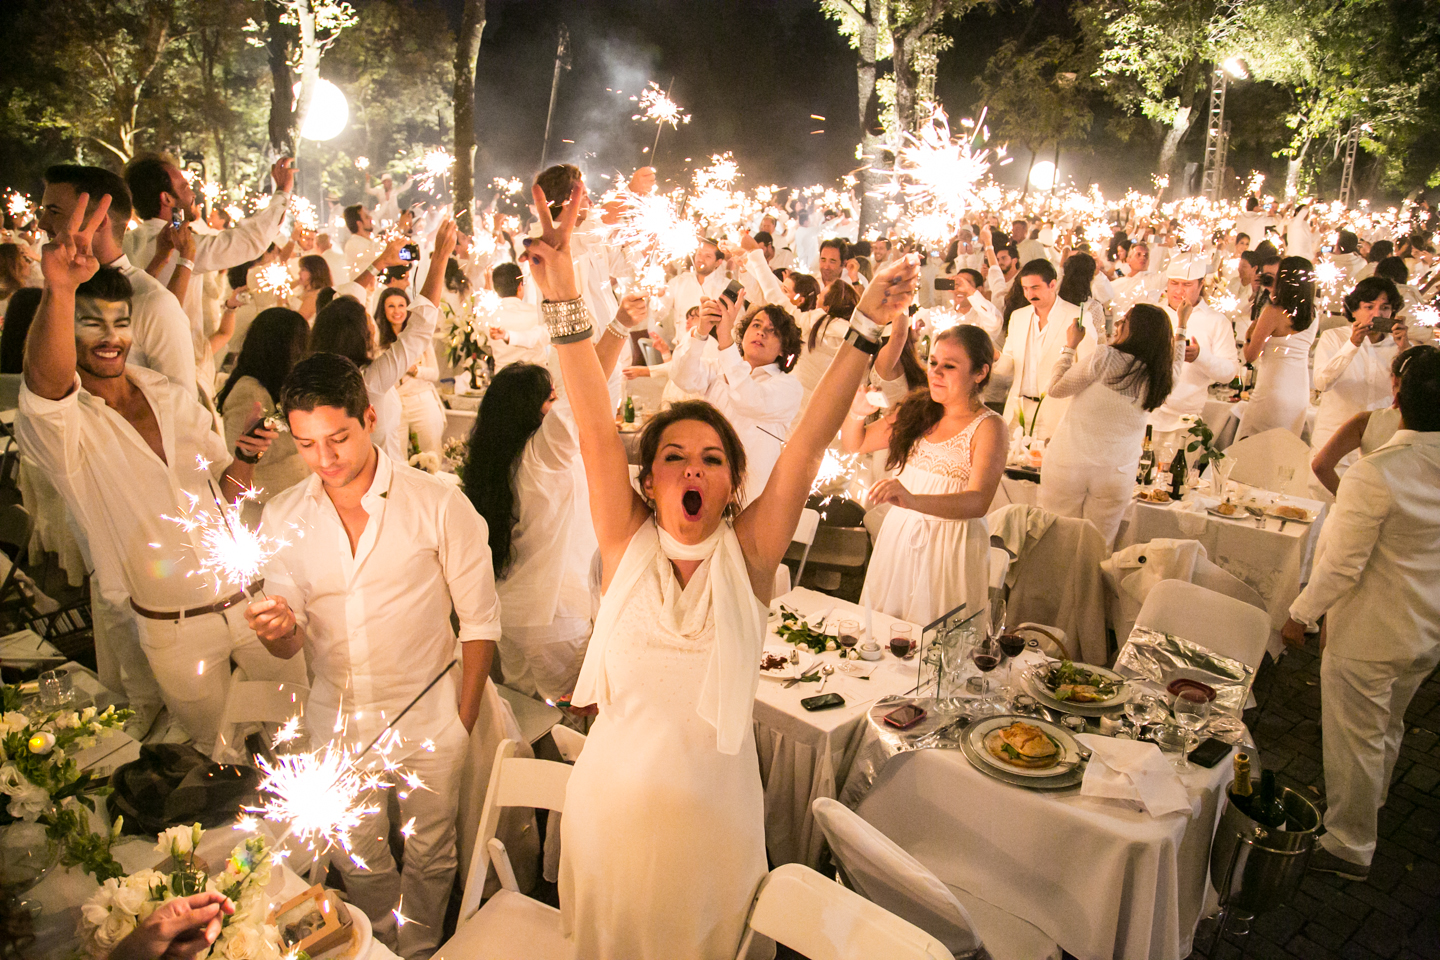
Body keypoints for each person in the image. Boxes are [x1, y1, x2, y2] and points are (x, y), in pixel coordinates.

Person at [526, 178, 920, 960]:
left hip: (714, 829)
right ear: (648, 480)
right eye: (673, 457)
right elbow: (595, 418)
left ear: (733, 484)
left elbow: (807, 439)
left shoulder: (750, 553)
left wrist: (868, 322)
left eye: (712, 458)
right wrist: (565, 295)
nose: (691, 469)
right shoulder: (624, 539)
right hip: (607, 816)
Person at [17, 192, 301, 753]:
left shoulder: (171, 396)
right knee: (220, 759)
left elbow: (226, 495)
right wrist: (59, 289)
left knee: (299, 735)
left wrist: (243, 457)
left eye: (120, 323)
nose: (110, 337)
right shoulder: (71, 427)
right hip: (176, 628)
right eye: (90, 323)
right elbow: (44, 390)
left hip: (250, 602)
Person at [245, 348, 499, 959]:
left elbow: (481, 621)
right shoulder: (284, 516)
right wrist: (275, 629)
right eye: (307, 445)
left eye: (338, 437)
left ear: (370, 417)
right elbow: (289, 644)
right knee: (355, 851)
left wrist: (461, 722)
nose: (325, 459)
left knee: (433, 849)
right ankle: (377, 945)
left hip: (430, 711)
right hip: (335, 717)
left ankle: (421, 947)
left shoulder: (437, 503)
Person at [1281, 347, 1440, 881]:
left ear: (1396, 397)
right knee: (1387, 726)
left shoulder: (1378, 473)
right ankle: (1370, 806)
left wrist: (1299, 614)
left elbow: (1340, 565)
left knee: (1354, 737)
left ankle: (1349, 842)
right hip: (1426, 626)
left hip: (1371, 628)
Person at [843, 321, 1005, 624]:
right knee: (884, 629)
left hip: (951, 545)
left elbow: (978, 501)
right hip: (901, 534)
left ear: (980, 373)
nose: (936, 372)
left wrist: (913, 499)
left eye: (950, 366)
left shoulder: (988, 426)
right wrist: (857, 413)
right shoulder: (917, 409)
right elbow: (857, 442)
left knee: (936, 640)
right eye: (933, 362)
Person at [39, 166, 197, 399]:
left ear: (100, 221)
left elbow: (184, 405)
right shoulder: (59, 292)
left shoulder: (153, 301)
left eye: (54, 212)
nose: (42, 223)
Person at [1039, 304, 1179, 544]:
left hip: (1069, 463)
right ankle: (1091, 583)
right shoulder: (1164, 377)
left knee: (1057, 540)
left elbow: (1056, 389)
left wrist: (1069, 347)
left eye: (1123, 321)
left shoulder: (1105, 357)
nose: (1118, 325)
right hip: (1117, 473)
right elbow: (1177, 362)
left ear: (1134, 330)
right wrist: (1183, 326)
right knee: (1098, 547)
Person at [307, 224, 446, 461]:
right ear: (357, 335)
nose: (372, 324)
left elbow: (341, 305)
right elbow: (420, 329)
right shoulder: (368, 381)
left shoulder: (317, 377)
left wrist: (379, 263)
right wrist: (440, 256)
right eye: (367, 320)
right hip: (382, 478)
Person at [122, 154, 294, 346]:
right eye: (185, 187)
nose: (193, 194)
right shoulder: (184, 248)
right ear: (167, 198)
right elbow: (250, 241)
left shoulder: (124, 243)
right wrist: (283, 191)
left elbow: (176, 222)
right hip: (175, 356)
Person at [668, 299, 804, 505]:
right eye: (756, 325)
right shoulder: (718, 368)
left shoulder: (788, 386)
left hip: (750, 495)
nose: (761, 333)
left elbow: (749, 400)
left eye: (773, 331)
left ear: (784, 350)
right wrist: (701, 332)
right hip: (704, 481)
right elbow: (682, 376)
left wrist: (725, 339)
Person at [995, 259, 1097, 442]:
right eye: (1025, 288)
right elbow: (1008, 367)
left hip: (1056, 413)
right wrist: (994, 356)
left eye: (1035, 287)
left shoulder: (1076, 316)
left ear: (1052, 284)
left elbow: (1086, 370)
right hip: (1017, 413)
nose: (1029, 294)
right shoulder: (1019, 317)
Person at [215, 308, 311, 502]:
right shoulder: (249, 393)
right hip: (264, 506)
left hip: (290, 499)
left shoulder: (276, 386)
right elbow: (238, 461)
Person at [1311, 277, 1408, 466]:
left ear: (1393, 313)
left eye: (1385, 308)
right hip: (1334, 444)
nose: (1376, 314)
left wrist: (1405, 350)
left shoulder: (1397, 345)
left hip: (1380, 446)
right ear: (1354, 310)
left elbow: (1412, 396)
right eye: (1369, 307)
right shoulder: (1334, 338)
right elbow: (1322, 383)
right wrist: (1352, 344)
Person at [1148, 257, 1240, 451]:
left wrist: (1201, 357)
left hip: (1186, 421)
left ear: (1200, 285)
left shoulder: (1216, 321)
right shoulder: (1154, 314)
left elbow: (1229, 372)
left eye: (1187, 284)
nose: (1179, 290)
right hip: (1148, 416)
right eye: (1174, 283)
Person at [1310, 346, 1424, 496]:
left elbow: (1320, 465)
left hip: (1371, 505)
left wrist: (1348, 498)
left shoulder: (1367, 421)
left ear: (1394, 380)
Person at [1236, 256, 1318, 440]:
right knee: (1283, 448)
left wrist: (1250, 334)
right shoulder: (1314, 313)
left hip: (1273, 391)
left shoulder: (1274, 312)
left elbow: (1250, 355)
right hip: (1299, 393)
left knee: (1250, 445)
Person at [375, 288, 445, 457]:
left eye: (401, 305)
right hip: (393, 403)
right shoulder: (377, 340)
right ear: (383, 310)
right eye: (391, 306)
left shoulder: (418, 335)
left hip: (421, 400)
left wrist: (413, 369)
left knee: (432, 454)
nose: (397, 311)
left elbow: (434, 374)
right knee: (396, 458)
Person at [486, 262, 548, 369]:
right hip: (536, 380)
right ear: (520, 286)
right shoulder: (536, 313)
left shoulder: (488, 316)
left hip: (502, 380)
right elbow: (542, 337)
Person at [294, 253, 332, 321]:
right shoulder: (305, 289)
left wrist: (282, 302)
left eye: (303, 269)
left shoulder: (315, 296)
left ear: (314, 272)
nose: (299, 273)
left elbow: (297, 322)